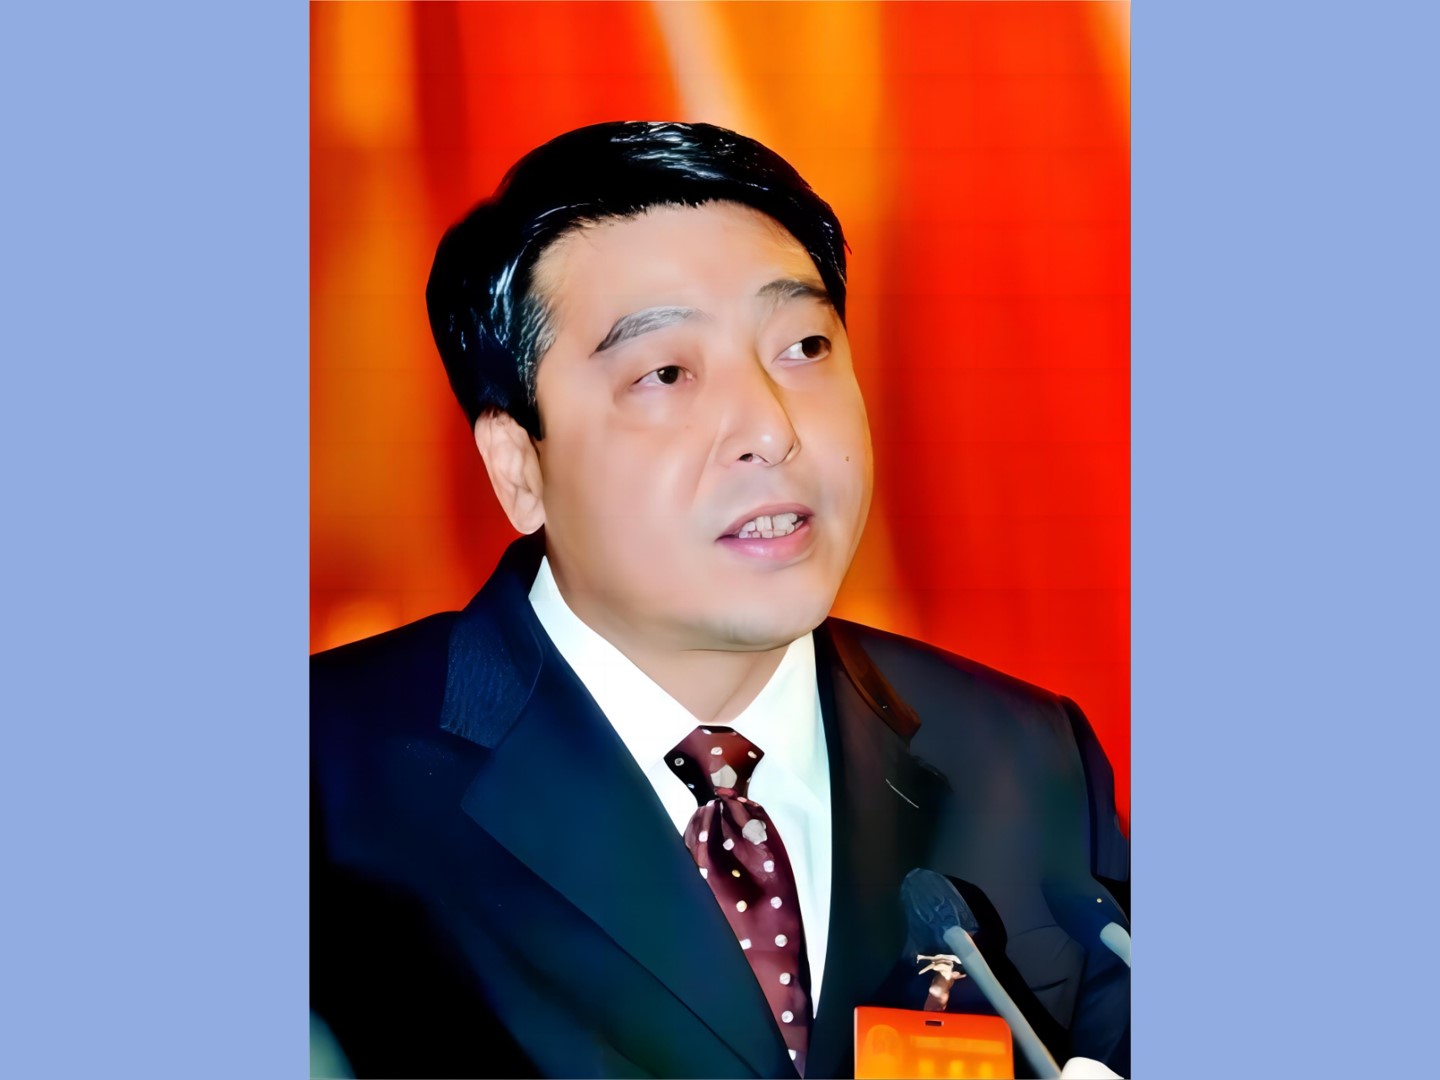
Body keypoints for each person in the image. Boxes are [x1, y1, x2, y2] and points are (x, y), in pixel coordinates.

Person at [311, 121, 1129, 1079]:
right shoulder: (325, 779)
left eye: (805, 346)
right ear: (518, 465)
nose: (770, 430)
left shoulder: (1025, 758)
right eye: (666, 373)